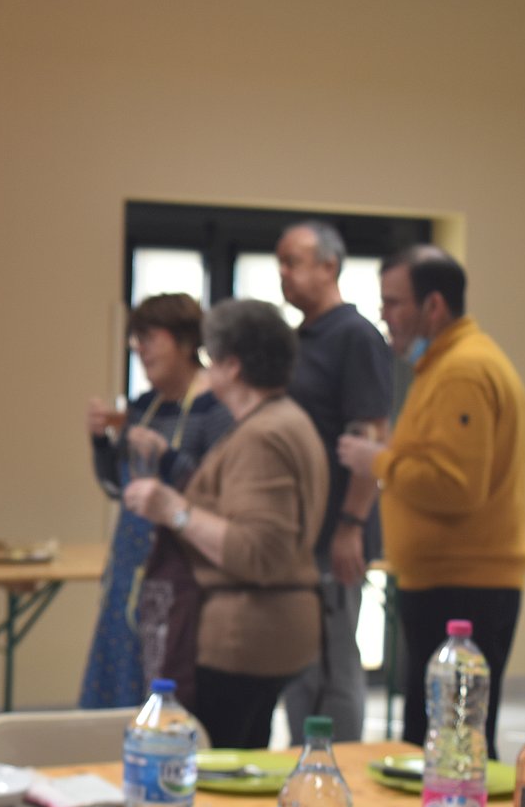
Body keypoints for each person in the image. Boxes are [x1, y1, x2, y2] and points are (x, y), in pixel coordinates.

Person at [338, 247, 525, 755]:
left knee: (451, 748)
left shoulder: (462, 371)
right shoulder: (443, 366)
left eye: (394, 302)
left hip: (463, 586)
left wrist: (379, 462)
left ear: (434, 306)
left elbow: (456, 487)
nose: (384, 315)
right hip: (447, 579)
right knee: (435, 743)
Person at [124, 299, 328, 748]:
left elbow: (257, 551)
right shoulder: (288, 420)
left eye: (210, 358)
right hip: (271, 631)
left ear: (233, 367)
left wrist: (174, 510)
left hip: (243, 637)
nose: (205, 368)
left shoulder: (262, 436)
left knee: (214, 772)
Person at [78, 293, 232, 709]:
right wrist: (100, 442)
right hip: (129, 568)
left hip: (179, 572)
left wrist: (166, 457)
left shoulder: (214, 411)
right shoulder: (144, 407)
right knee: (117, 685)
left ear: (185, 341)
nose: (139, 349)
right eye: (136, 340)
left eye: (150, 338)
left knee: (163, 683)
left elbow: (216, 496)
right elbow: (116, 487)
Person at [276, 221, 392, 745]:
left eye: (293, 261)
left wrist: (351, 525)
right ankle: (303, 768)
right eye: (279, 263)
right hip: (298, 534)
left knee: (334, 668)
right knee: (300, 666)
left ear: (329, 266)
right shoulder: (302, 338)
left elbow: (372, 436)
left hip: (336, 533)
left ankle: (336, 771)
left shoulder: (355, 336)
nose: (284, 273)